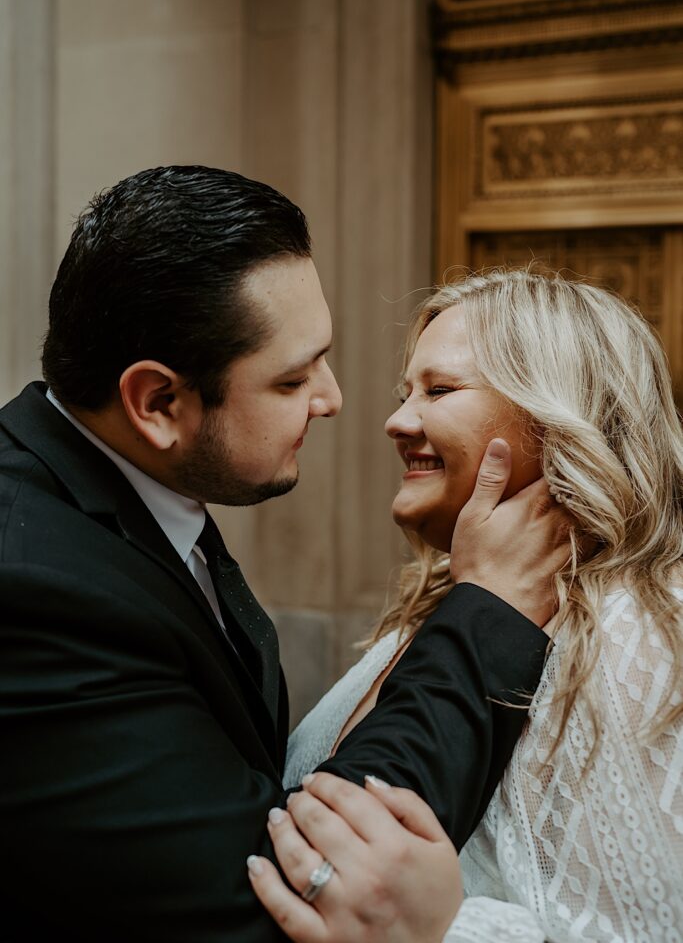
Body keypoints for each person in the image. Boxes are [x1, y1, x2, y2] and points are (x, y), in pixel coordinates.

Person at [0, 168, 569, 942]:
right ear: (160, 403)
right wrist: (489, 617)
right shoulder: (33, 584)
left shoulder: (124, 493)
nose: (334, 400)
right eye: (292, 378)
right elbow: (282, 900)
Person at [256, 269, 683, 942]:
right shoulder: (445, 610)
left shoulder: (636, 634)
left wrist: (443, 930)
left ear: (554, 416)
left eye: (440, 390)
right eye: (405, 393)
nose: (396, 421)